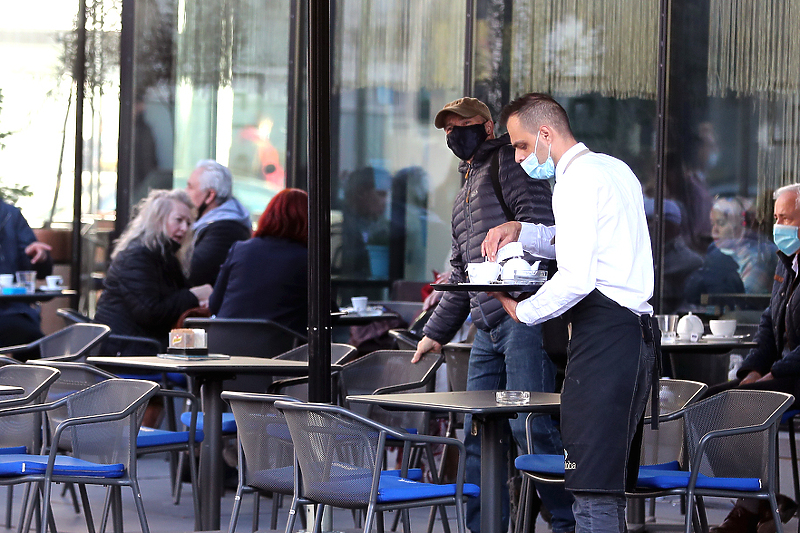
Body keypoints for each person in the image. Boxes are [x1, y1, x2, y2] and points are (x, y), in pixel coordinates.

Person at [482, 93, 656, 533]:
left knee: (592, 491)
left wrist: (524, 312)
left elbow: (577, 275)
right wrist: (524, 230)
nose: (519, 158)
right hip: (633, 336)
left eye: (521, 146)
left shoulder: (576, 181)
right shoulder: (615, 170)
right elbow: (583, 240)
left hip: (605, 337)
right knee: (607, 488)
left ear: (545, 134)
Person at [412, 97, 575, 533]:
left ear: (486, 126)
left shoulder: (509, 162)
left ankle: (569, 522)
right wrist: (436, 333)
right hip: (487, 325)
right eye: (446, 128)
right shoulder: (465, 187)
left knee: (532, 427)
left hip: (523, 318)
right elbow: (462, 271)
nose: (453, 134)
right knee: (477, 433)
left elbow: (539, 226)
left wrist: (512, 284)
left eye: (462, 124)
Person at [703, 184, 800, 533]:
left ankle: (753, 508)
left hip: (794, 375)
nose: (779, 226)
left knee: (744, 402)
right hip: (778, 371)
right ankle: (758, 502)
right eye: (776, 218)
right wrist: (753, 368)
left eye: (787, 218)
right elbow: (768, 325)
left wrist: (770, 373)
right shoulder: (786, 262)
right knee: (709, 402)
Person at [94, 189, 213, 353]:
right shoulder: (136, 256)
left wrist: (197, 300)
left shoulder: (165, 256)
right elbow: (150, 313)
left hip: (144, 346)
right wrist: (194, 295)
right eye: (178, 220)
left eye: (188, 222)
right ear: (157, 220)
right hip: (128, 351)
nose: (184, 228)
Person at [209, 188, 308, 335]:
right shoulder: (307, 259)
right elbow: (326, 313)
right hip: (279, 350)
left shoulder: (240, 249)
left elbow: (215, 304)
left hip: (226, 345)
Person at [185, 160, 252, 286]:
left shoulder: (226, 229)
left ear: (210, 195)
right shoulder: (209, 223)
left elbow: (192, 271)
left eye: (190, 187)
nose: (185, 192)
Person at [0, 197, 53, 353]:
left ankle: (39, 377)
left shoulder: (10, 215)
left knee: (35, 344)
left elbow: (39, 271)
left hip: (12, 310)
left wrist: (39, 257)